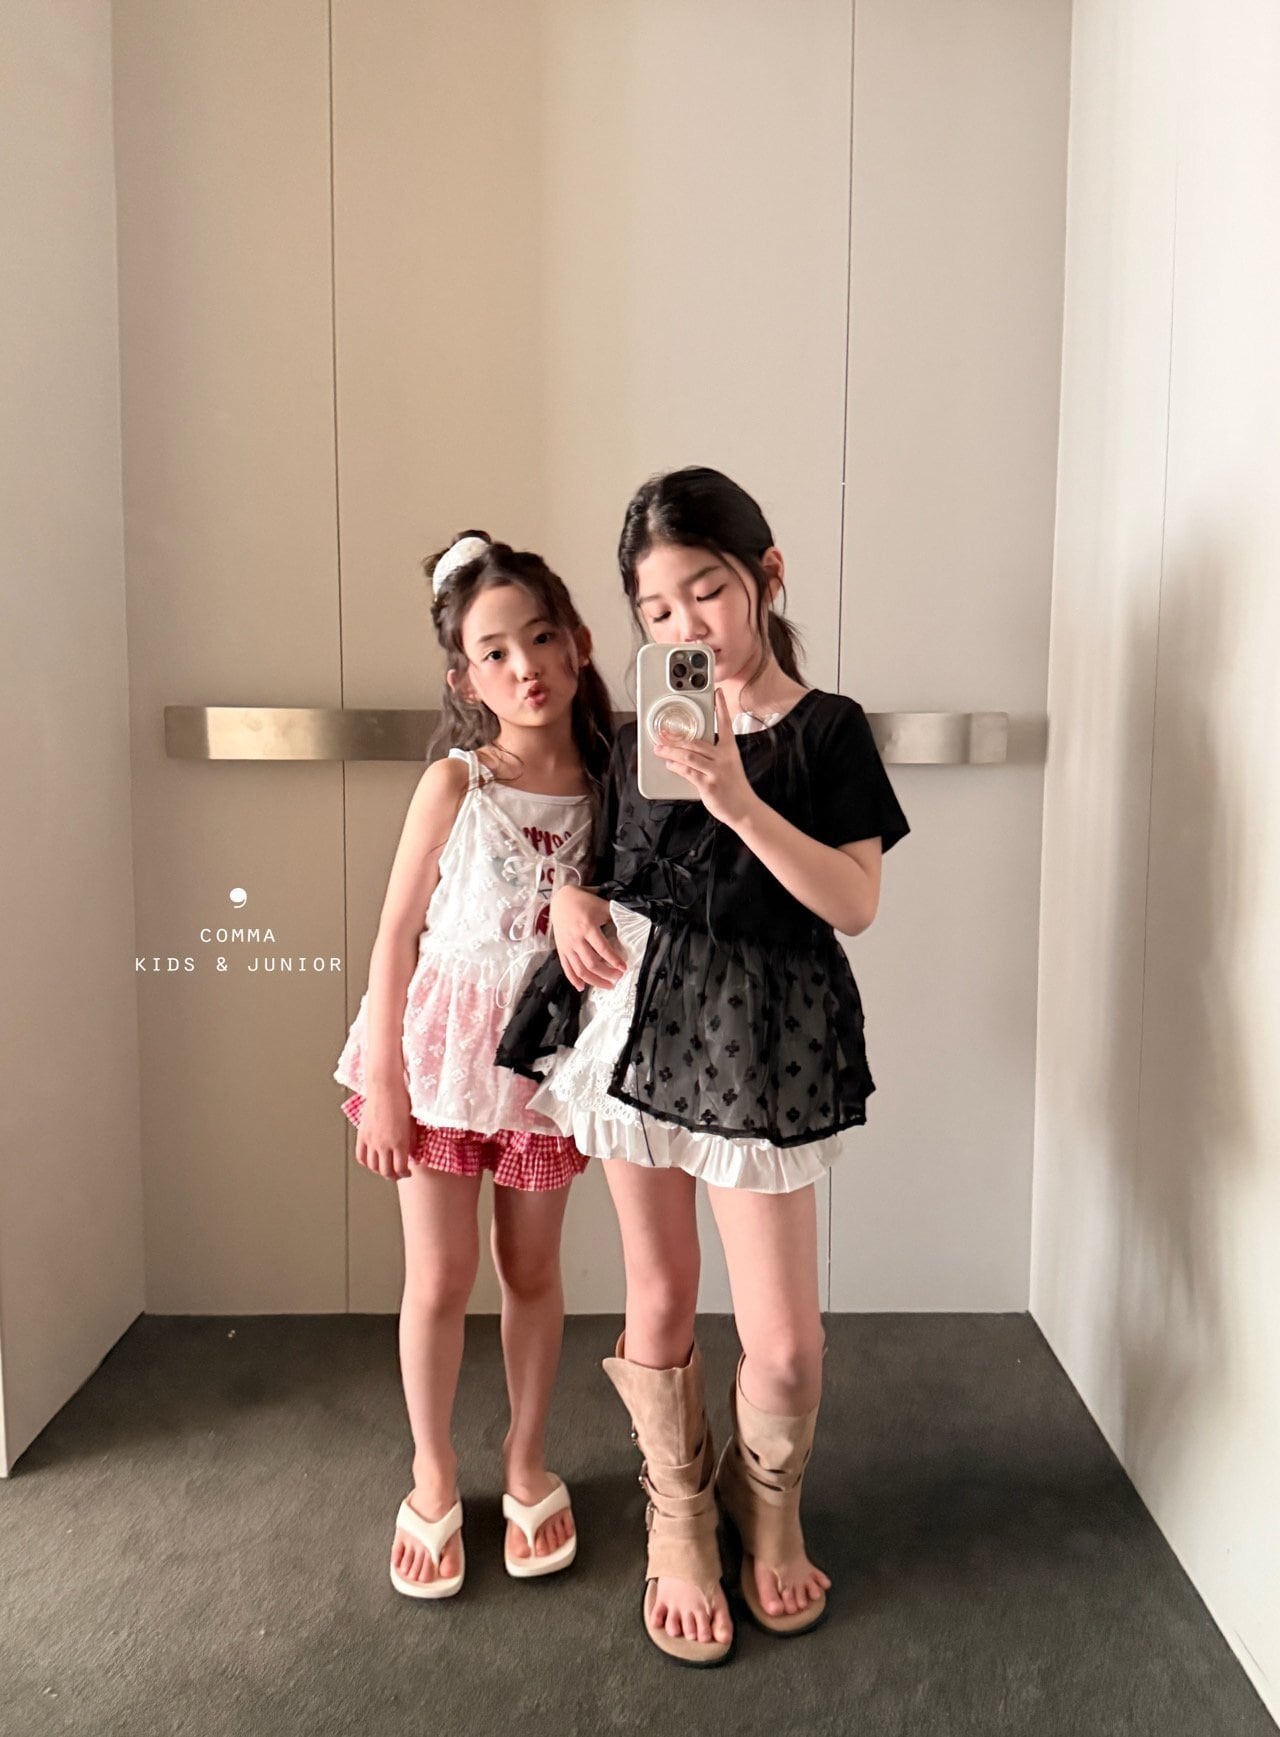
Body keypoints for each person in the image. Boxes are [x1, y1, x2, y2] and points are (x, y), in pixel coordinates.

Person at [496, 468, 910, 1665]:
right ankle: (678, 1514)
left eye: (706, 590)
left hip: (763, 1043)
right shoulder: (638, 735)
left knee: (783, 1344)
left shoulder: (828, 729)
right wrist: (573, 900)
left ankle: (764, 1502)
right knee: (662, 1293)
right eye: (657, 609)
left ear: (765, 575)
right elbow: (606, 867)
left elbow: (851, 901)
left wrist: (735, 800)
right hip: (639, 1024)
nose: (686, 624)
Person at [333, 532, 614, 1599]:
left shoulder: (612, 786)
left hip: (543, 1067)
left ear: (577, 642)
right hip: (442, 1065)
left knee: (531, 1272)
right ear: (464, 679)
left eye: (540, 638)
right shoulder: (455, 783)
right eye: (494, 653)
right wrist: (387, 1084)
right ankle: (433, 1470)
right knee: (440, 1278)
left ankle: (526, 1458)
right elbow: (394, 933)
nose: (524, 667)